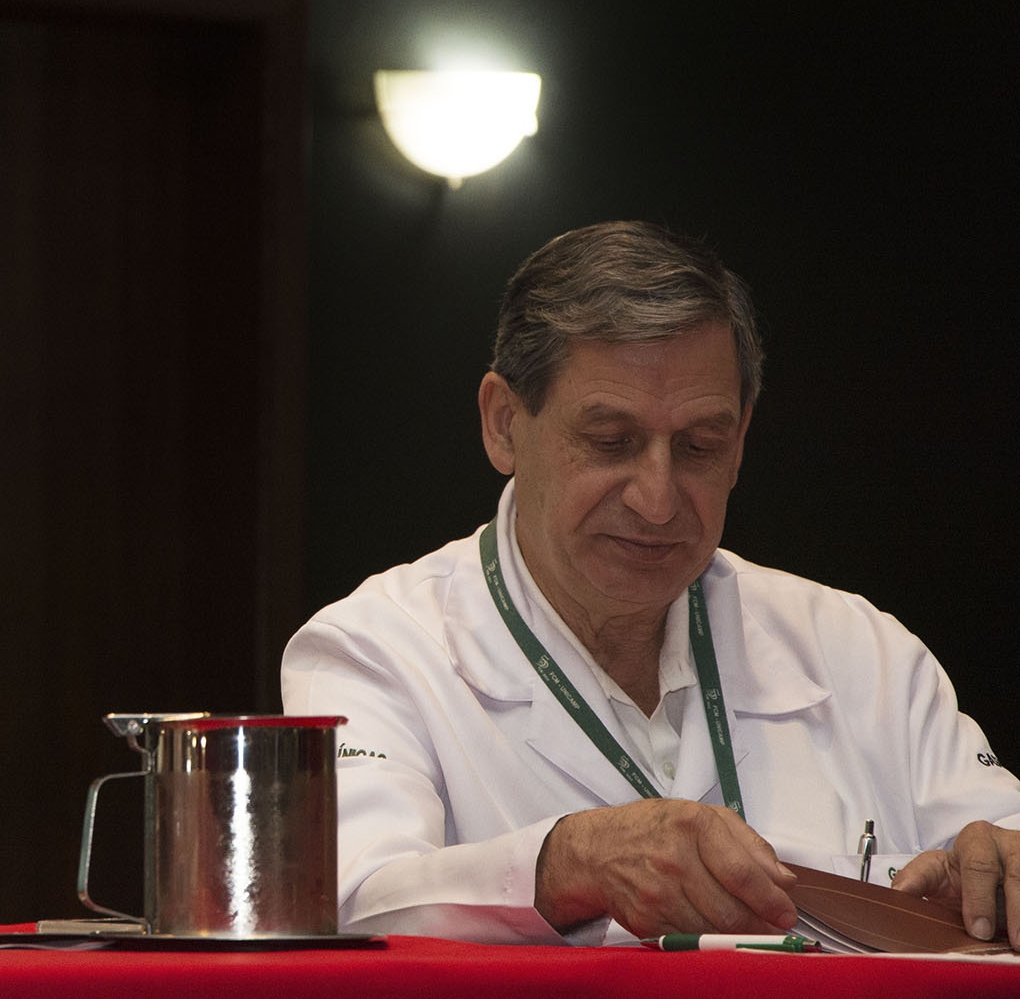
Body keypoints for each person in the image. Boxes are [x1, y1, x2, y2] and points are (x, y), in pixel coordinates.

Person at [281, 220, 1020, 947]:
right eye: (611, 442)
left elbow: (998, 838)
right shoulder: (374, 650)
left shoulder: (860, 651)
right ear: (504, 423)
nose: (658, 499)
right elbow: (351, 905)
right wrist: (566, 863)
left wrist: (997, 873)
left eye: (700, 446)